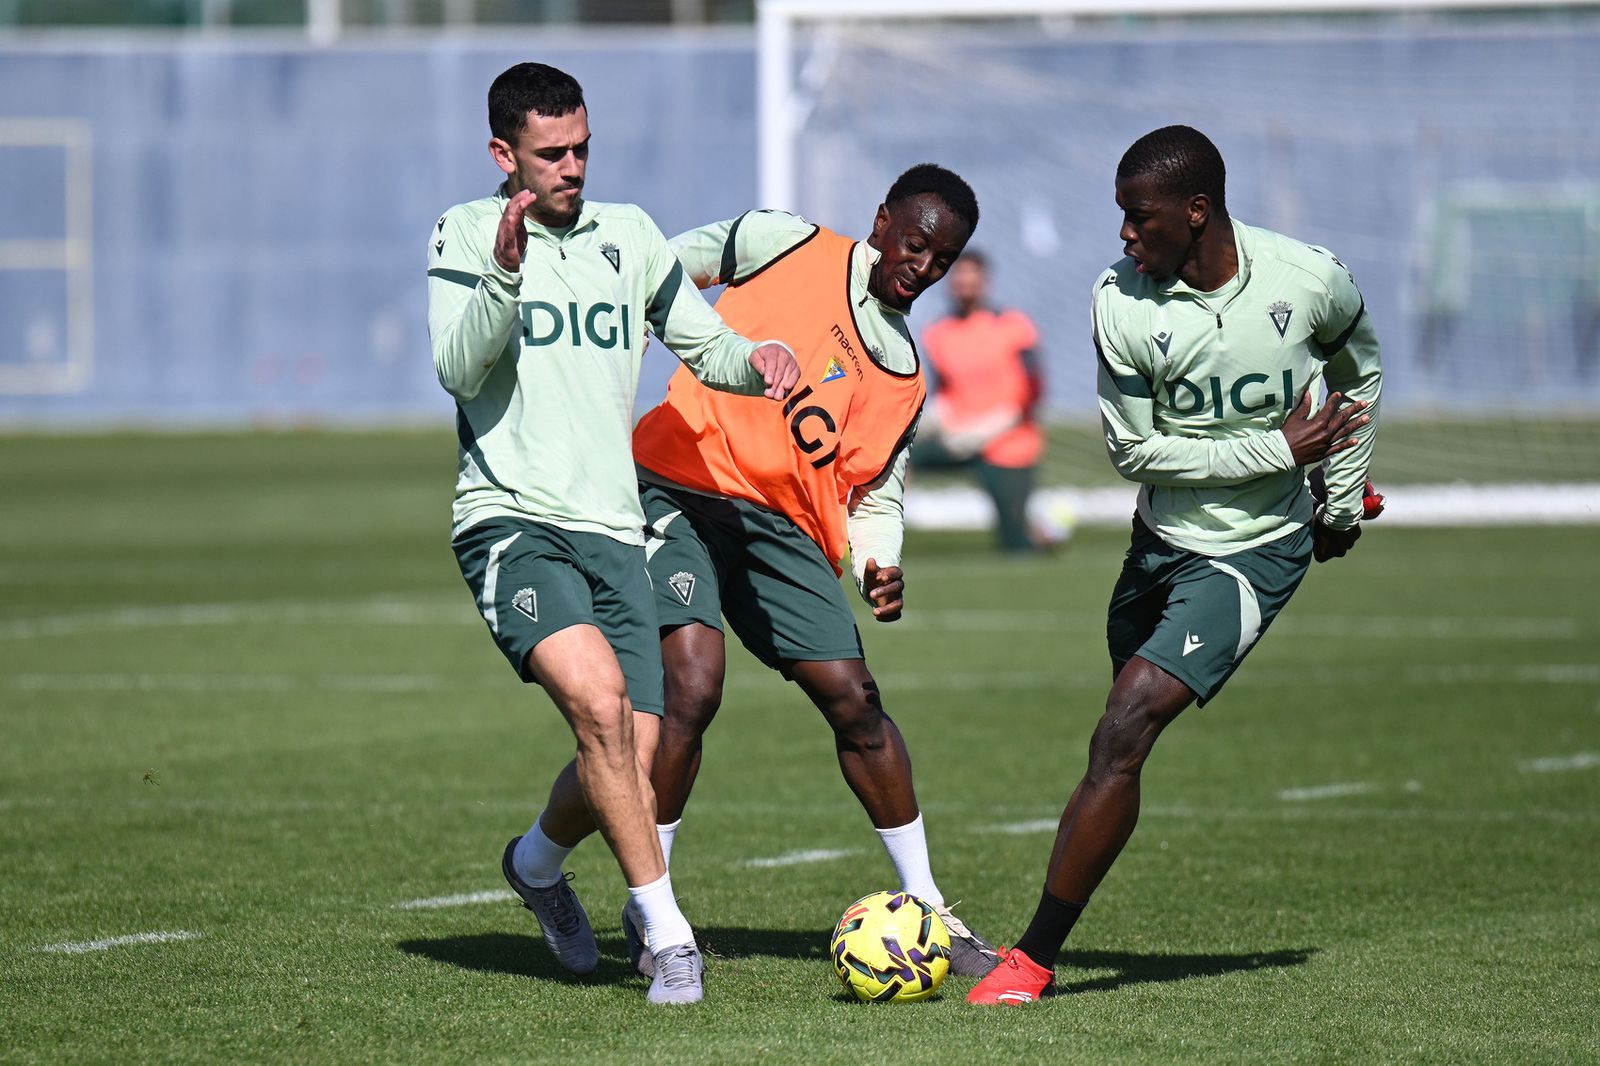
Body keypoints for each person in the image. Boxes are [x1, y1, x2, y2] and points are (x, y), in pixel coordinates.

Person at [967, 125, 1381, 1005]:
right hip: (1158, 544)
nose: (1125, 234)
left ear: (1196, 211)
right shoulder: (1119, 302)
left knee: (1126, 727)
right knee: (1116, 741)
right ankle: (1038, 943)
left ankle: (1031, 960)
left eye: (1139, 216)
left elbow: (1360, 374)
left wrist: (1339, 502)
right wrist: (1277, 449)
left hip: (1255, 552)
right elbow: (1136, 452)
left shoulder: (1309, 279)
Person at [427, 61, 799, 1005]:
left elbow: (704, 344)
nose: (573, 166)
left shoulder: (629, 234)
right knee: (598, 708)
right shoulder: (465, 231)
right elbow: (458, 370)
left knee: (629, 755)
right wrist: (504, 272)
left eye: (583, 148)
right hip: (512, 517)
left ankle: (535, 864)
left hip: (614, 526)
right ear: (504, 155)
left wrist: (758, 360)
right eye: (552, 152)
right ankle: (668, 937)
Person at [625, 166, 1001, 978]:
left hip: (784, 528)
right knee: (693, 685)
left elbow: (877, 495)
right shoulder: (784, 241)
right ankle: (653, 911)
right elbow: (665, 265)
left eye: (942, 258)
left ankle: (929, 905)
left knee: (856, 702)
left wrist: (879, 563)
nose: (924, 266)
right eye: (915, 244)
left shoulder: (905, 375)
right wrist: (641, 313)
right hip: (677, 482)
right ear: (883, 220)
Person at [915, 251, 1050, 553]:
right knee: (897, 459)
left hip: (1008, 443)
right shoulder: (938, 332)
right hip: (957, 439)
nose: (965, 285)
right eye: (959, 278)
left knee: (1017, 546)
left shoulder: (1013, 326)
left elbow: (1035, 389)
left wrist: (993, 426)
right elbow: (942, 391)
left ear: (984, 282)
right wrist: (932, 421)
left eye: (972, 278)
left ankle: (1043, 534)